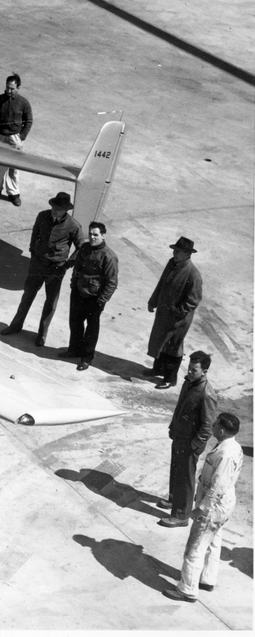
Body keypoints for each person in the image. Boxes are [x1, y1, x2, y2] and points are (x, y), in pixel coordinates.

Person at [163, 412, 243, 601]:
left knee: (195, 546)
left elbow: (218, 485)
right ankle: (207, 578)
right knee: (213, 541)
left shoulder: (225, 454)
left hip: (214, 506)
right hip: (224, 505)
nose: (212, 425)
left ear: (221, 430)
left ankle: (187, 589)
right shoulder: (233, 446)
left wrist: (202, 508)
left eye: (215, 424)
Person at [1, 191, 85, 346]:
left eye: (59, 208)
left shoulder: (74, 225)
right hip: (38, 264)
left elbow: (81, 248)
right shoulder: (42, 216)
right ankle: (15, 326)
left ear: (66, 210)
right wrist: (33, 251)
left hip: (56, 268)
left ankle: (42, 334)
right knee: (27, 295)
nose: (55, 210)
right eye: (54, 206)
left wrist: (67, 265)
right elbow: (35, 232)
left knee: (50, 302)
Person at [157, 351, 218, 528]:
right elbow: (180, 407)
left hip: (190, 441)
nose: (190, 372)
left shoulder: (207, 394)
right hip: (179, 435)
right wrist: (172, 426)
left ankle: (181, 515)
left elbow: (208, 425)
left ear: (204, 371)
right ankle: (174, 499)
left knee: (185, 476)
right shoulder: (189, 382)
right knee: (176, 470)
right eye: (189, 368)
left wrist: (196, 443)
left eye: (194, 370)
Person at [145, 236, 203, 390]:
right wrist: (153, 301)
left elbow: (194, 299)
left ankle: (170, 379)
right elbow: (161, 283)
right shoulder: (172, 264)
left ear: (187, 254)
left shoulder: (193, 274)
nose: (175, 253)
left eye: (179, 251)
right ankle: (157, 369)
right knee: (160, 341)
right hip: (164, 314)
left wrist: (178, 312)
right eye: (175, 250)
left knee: (173, 346)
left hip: (179, 319)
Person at [59, 222, 117, 371]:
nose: (92, 237)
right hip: (79, 292)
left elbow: (112, 282)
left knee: (91, 329)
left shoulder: (109, 256)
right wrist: (73, 285)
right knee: (75, 322)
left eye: (96, 235)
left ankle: (86, 357)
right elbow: (77, 267)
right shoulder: (84, 248)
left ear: (103, 236)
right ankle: (74, 349)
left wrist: (101, 300)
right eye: (90, 234)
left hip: (94, 298)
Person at [0, 73, 32, 207]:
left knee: (13, 167)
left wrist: (21, 137)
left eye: (12, 88)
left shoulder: (23, 103)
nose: (9, 91)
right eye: (7, 87)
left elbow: (28, 121)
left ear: (18, 88)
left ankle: (13, 194)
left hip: (14, 138)